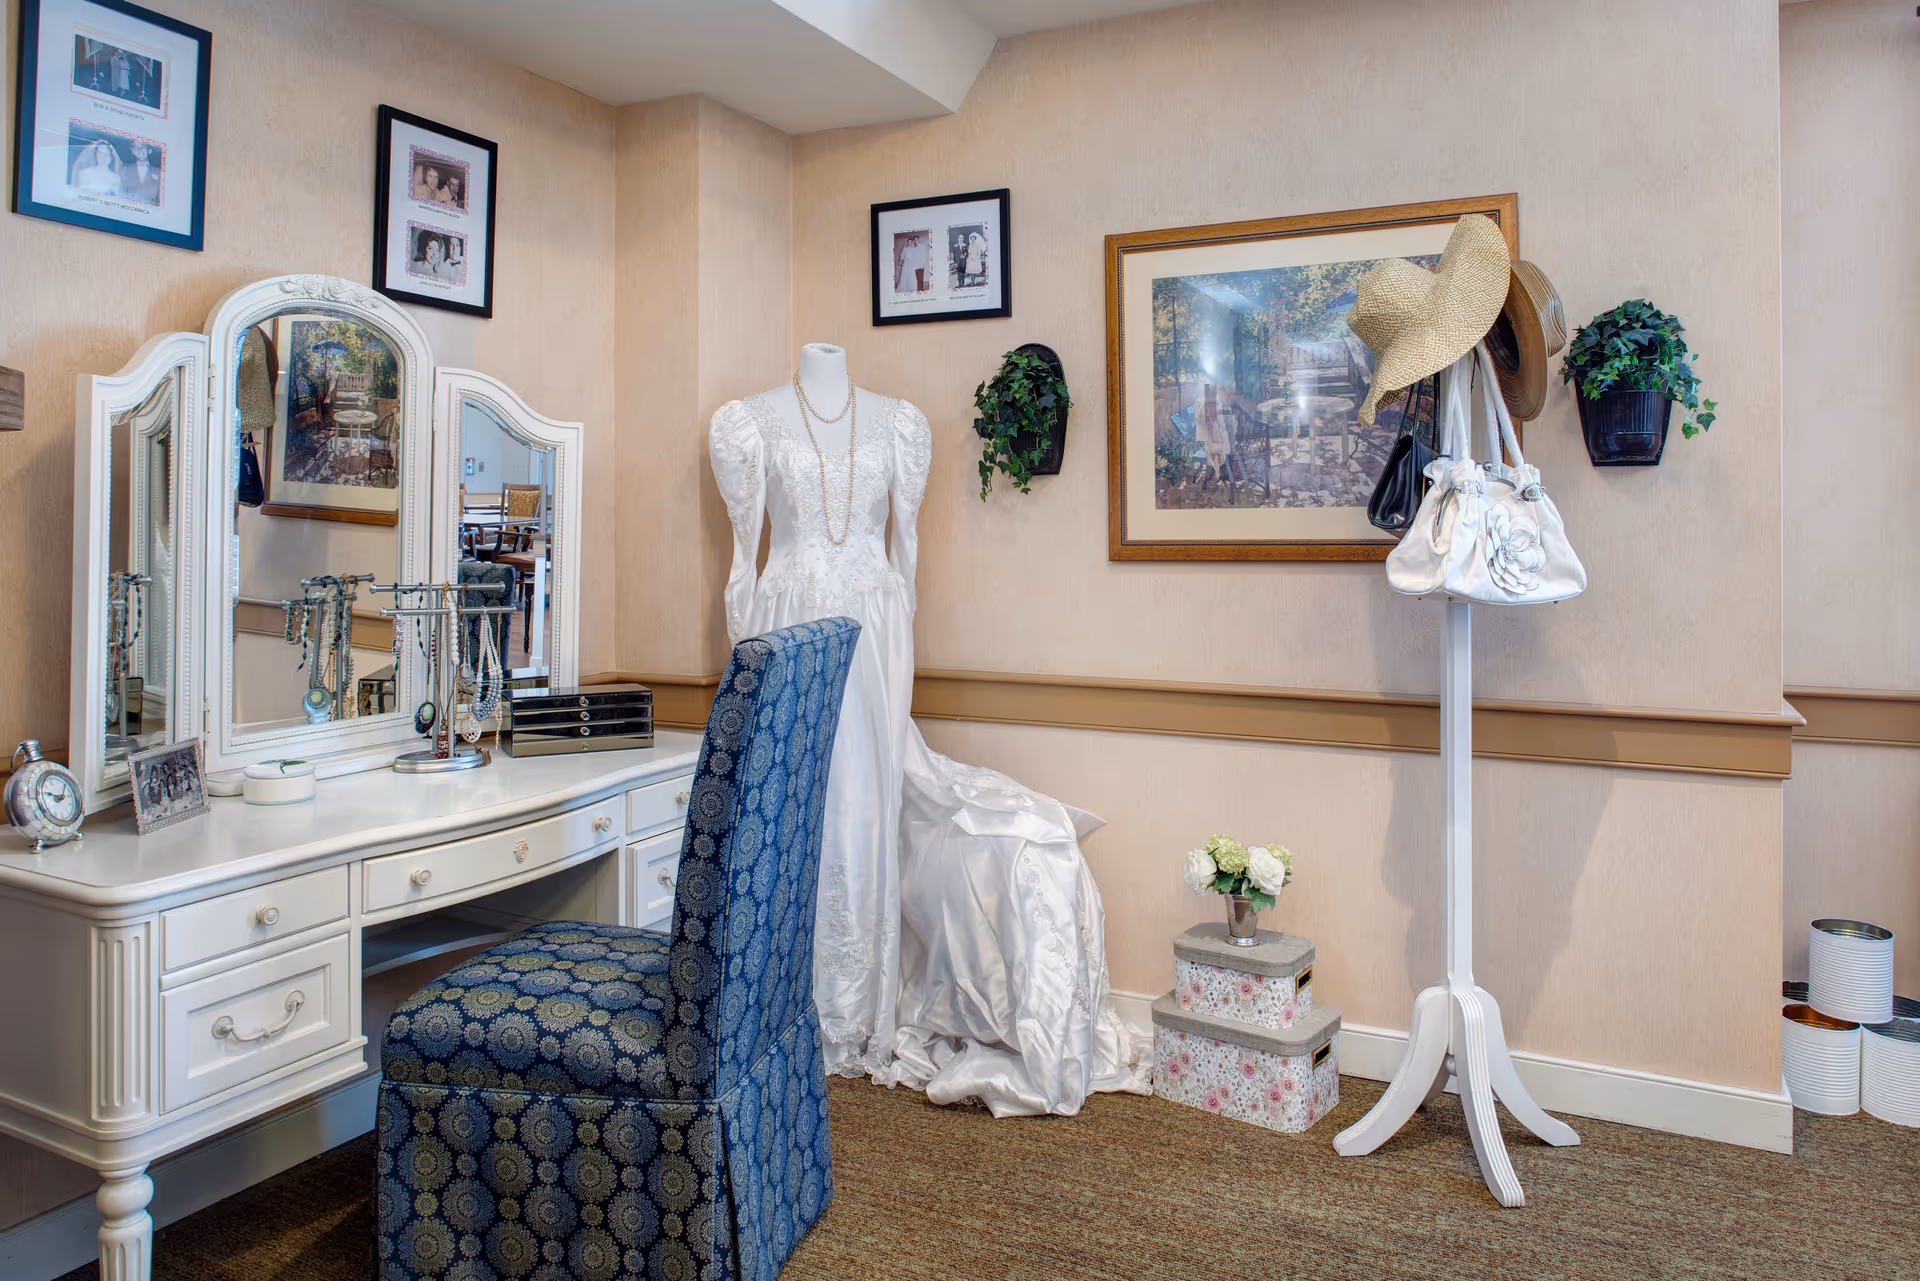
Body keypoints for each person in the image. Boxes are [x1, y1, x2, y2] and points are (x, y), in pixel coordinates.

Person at [709, 344, 1147, 1117]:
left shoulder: (899, 425)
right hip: (787, 620)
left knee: (866, 800)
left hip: (876, 629)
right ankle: (797, 998)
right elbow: (745, 563)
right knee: (798, 807)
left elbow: (903, 557)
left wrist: (895, 639)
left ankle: (857, 1002)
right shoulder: (750, 422)